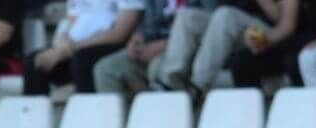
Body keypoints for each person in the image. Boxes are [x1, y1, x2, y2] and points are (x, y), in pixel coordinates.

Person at [158, 0, 299, 99]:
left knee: (225, 15)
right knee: (187, 16)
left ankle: (198, 85)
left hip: (265, 32)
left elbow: (282, 20)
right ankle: (171, 80)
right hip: (229, 29)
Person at [25, 0, 145, 95]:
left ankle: (89, 114)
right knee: (34, 61)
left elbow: (120, 33)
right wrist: (62, 45)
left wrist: (73, 48)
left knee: (82, 60)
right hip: (75, 47)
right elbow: (72, 24)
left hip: (112, 44)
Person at [92, 0, 178, 99]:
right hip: (150, 45)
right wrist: (137, 38)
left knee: (157, 68)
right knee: (106, 68)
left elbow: (191, 27)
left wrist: (165, 46)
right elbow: (148, 21)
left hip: (179, 50)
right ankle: (129, 109)